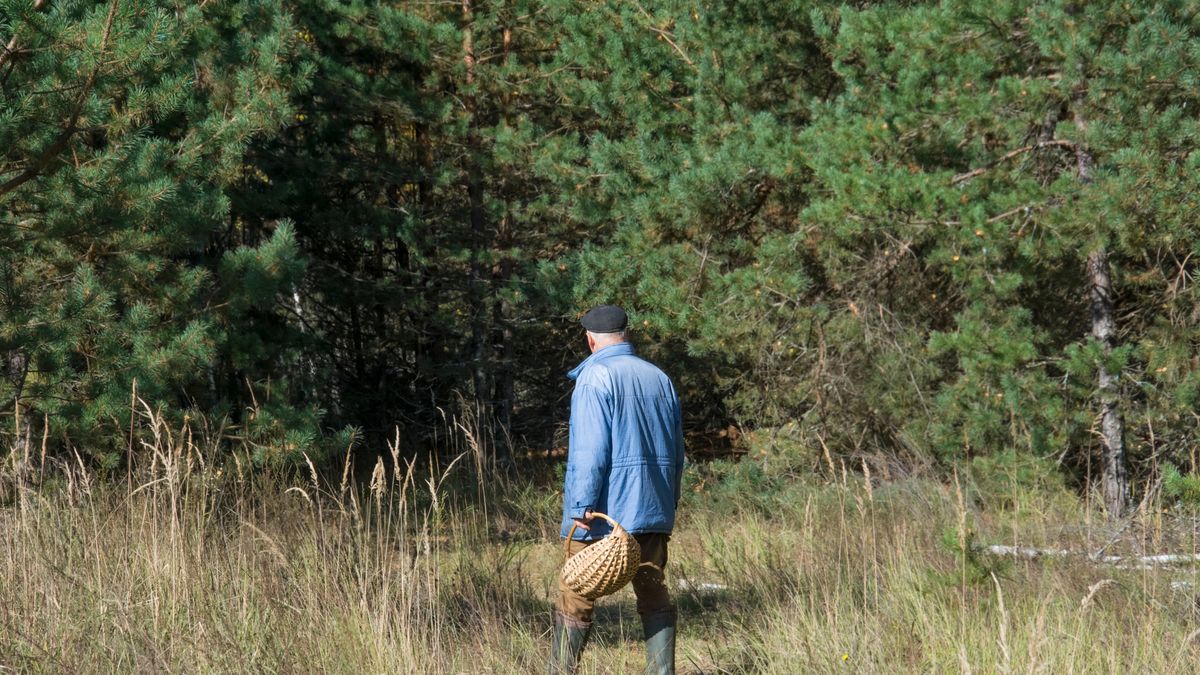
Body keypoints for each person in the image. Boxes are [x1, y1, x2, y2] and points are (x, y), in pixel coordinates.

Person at [549, 305, 685, 675]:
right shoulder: (660, 377)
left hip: (602, 516)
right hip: (653, 508)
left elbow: (590, 452)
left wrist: (581, 505)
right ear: (625, 334)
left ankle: (561, 671)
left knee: (574, 592)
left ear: (590, 339)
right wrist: (668, 501)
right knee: (653, 590)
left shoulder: (594, 377)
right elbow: (677, 453)